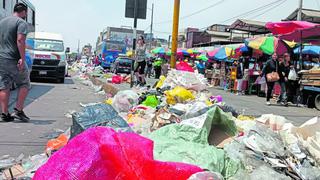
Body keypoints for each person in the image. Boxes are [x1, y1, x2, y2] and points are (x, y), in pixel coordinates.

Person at [0, 3, 31, 122]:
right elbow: (20, 40)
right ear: (24, 12)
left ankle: (4, 113)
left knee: (4, 85)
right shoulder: (21, 22)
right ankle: (18, 110)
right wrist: (22, 58)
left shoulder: (2, 22)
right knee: (25, 83)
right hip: (13, 59)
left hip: (1, 59)